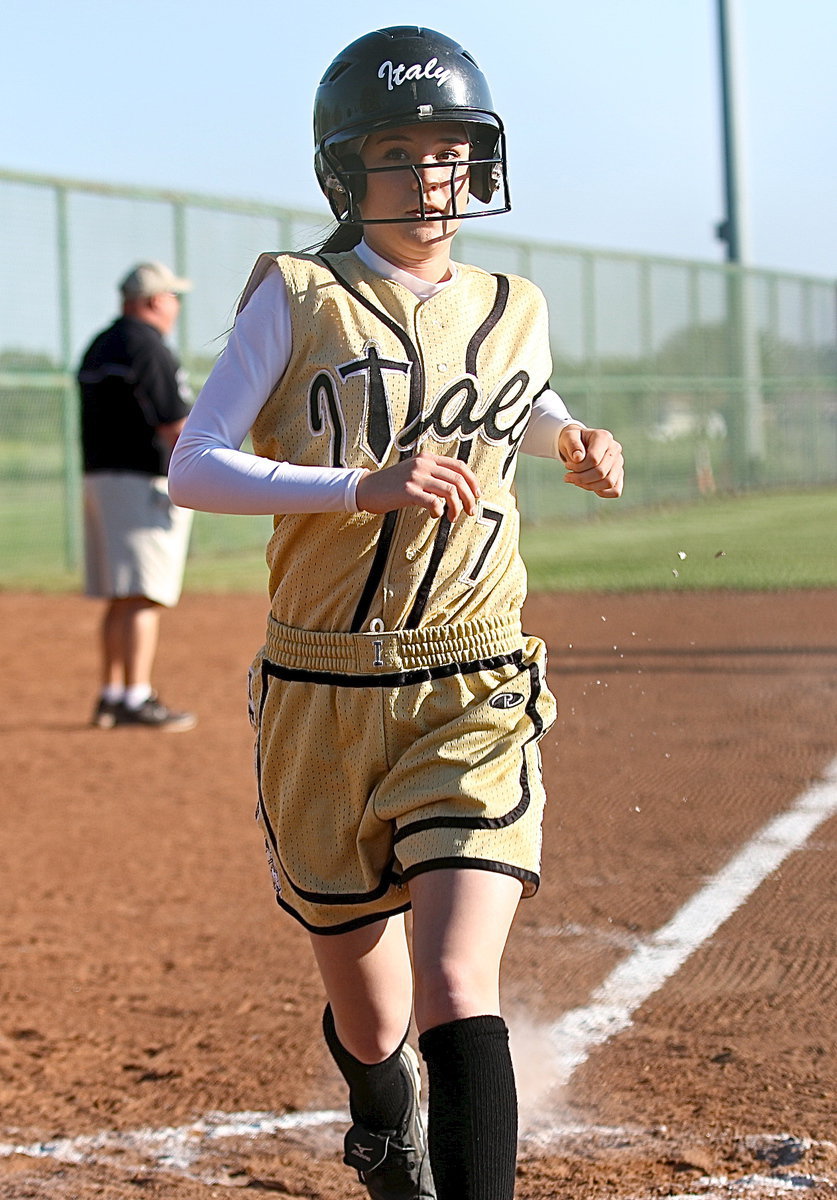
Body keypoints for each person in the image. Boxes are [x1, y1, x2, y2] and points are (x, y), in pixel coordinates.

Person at [169, 26, 623, 1200]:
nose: (434, 173)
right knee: (372, 1023)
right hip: (323, 692)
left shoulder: (514, 301)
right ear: (344, 171)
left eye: (452, 149)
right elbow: (197, 467)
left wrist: (568, 438)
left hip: (473, 681)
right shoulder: (301, 294)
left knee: (454, 986)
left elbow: (511, 396)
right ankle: (380, 1117)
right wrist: (360, 487)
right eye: (400, 150)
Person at [79, 260, 197, 732]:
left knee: (123, 596)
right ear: (152, 301)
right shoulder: (148, 345)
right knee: (144, 595)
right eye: (172, 297)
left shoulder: (100, 344)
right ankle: (135, 696)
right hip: (141, 482)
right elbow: (175, 422)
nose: (176, 306)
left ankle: (112, 695)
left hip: (101, 479)